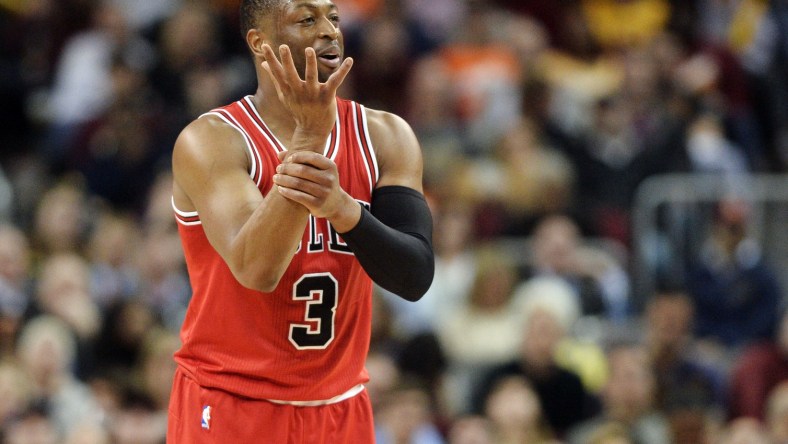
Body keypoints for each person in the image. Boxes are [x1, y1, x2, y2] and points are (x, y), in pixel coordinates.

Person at [167, 0, 435, 442]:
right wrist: (308, 141)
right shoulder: (212, 140)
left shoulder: (385, 135)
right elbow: (257, 268)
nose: (328, 31)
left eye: (333, 17)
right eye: (307, 20)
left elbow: (415, 274)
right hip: (233, 400)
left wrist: (343, 209)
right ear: (260, 43)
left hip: (339, 404)